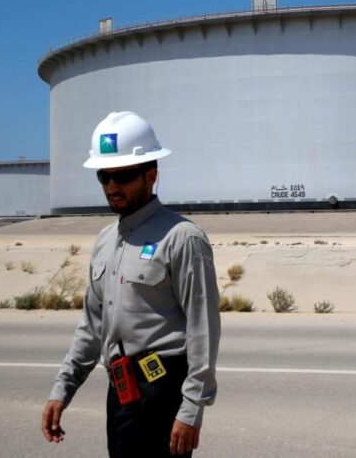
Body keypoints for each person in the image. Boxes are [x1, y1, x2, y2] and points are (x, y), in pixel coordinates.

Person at [41, 111, 221, 457]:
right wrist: (62, 389)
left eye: (122, 175)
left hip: (163, 393)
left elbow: (204, 329)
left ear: (151, 175)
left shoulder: (182, 238)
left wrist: (191, 409)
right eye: (104, 176)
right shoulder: (105, 241)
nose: (112, 187)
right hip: (122, 392)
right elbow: (91, 326)